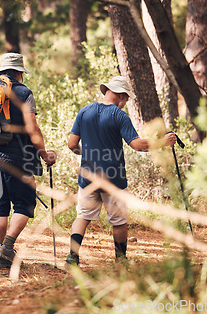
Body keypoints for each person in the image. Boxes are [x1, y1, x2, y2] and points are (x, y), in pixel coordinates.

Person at [66, 76, 177, 265]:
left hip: (88, 175)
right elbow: (136, 145)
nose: (125, 102)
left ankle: (72, 257)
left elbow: (71, 144)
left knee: (83, 216)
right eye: (126, 98)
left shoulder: (84, 112)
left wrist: (88, 154)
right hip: (113, 177)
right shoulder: (119, 116)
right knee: (118, 221)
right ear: (120, 95)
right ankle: (121, 261)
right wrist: (162, 143)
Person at [0, 53, 57, 269]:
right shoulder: (24, 92)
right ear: (20, 72)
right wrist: (44, 153)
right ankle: (6, 248)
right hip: (19, 157)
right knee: (24, 203)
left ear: (1, 72)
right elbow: (32, 127)